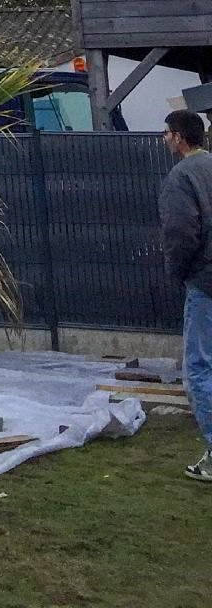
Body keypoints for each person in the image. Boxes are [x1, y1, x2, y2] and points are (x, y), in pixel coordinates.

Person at [160, 108, 212, 482]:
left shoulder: (182, 176)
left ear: (178, 137)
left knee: (199, 368)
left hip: (205, 282)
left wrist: (178, 272)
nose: (165, 140)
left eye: (166, 134)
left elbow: (181, 231)